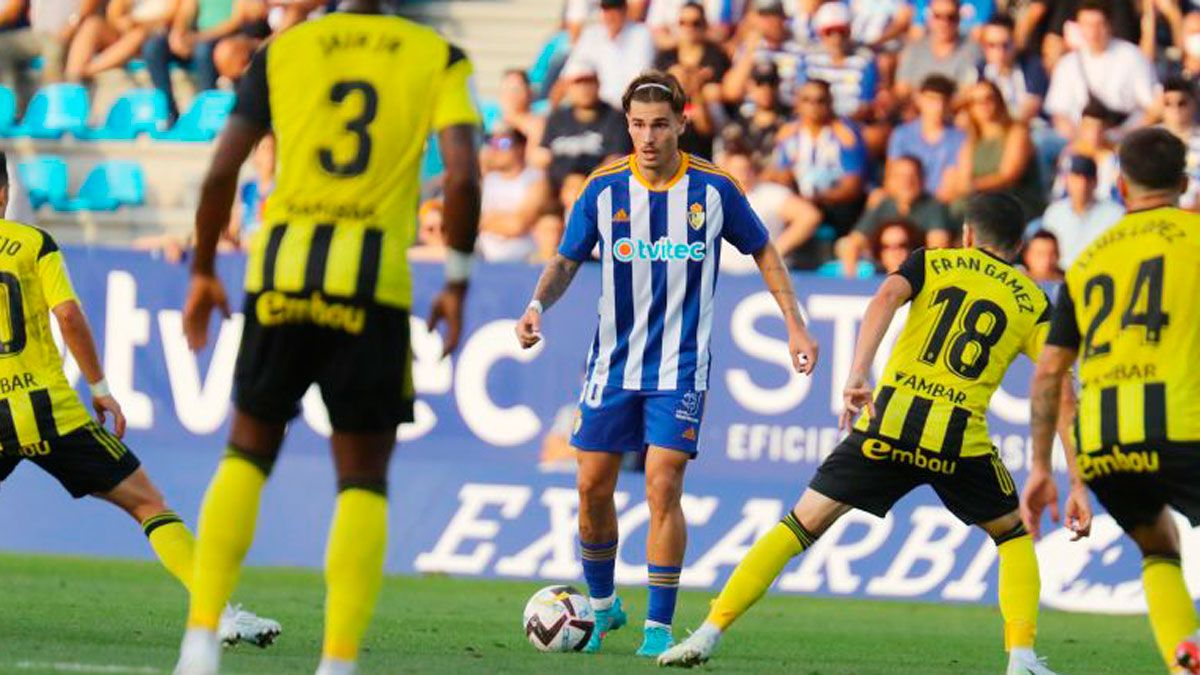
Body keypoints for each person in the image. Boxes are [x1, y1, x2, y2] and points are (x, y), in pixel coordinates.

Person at [174, 1, 483, 673]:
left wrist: (202, 269)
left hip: (281, 273)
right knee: (363, 479)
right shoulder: (437, 55)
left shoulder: (283, 50)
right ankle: (337, 662)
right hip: (372, 289)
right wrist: (456, 282)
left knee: (247, 452)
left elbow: (223, 167)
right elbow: (461, 174)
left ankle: (199, 642)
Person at [660, 193, 1073, 674]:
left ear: (966, 235)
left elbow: (884, 297)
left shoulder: (933, 261)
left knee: (800, 523)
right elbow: (1060, 384)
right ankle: (1021, 657)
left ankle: (709, 633)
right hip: (959, 440)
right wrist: (1075, 476)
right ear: (1020, 245)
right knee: (1013, 537)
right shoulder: (1032, 299)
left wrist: (858, 372)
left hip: (888, 424)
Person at [514, 70, 819, 659]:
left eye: (659, 124)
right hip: (611, 367)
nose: (648, 137)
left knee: (662, 483)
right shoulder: (603, 188)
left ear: (682, 122)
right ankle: (603, 609)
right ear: (626, 125)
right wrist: (534, 305)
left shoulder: (714, 189)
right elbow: (566, 261)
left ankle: (658, 623)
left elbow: (763, 249)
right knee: (591, 488)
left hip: (679, 369)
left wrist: (794, 323)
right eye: (637, 125)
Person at [0, 152, 280, 651]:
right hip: (51, 411)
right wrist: (101, 388)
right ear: (4, 192)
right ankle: (215, 614)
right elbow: (67, 314)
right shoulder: (33, 243)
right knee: (148, 503)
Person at [1024, 127, 1200, 675]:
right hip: (1183, 430)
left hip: (1104, 446)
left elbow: (1050, 371)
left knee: (1160, 548)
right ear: (1184, 182)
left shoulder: (1087, 260)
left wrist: (1042, 468)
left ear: (1121, 187)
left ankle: (1184, 663)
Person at [768, 79, 868, 255]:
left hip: (836, 204)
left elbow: (853, 185)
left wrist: (819, 198)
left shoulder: (845, 134)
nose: (813, 106)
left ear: (830, 103)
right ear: (798, 104)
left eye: (820, 100)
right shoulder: (789, 134)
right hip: (800, 200)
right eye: (807, 100)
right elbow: (781, 174)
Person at [1043, 0, 1157, 138]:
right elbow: (1059, 113)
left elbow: (1153, 108)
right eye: (1087, 25)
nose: (1093, 32)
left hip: (1124, 136)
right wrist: (1079, 141)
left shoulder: (1133, 57)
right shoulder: (1068, 64)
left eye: (1098, 24)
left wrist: (1125, 135)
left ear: (1109, 25)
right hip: (1078, 140)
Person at [836, 155, 954, 276]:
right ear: (890, 180)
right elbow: (852, 242)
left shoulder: (933, 207)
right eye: (900, 177)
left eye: (912, 176)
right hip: (883, 273)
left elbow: (938, 247)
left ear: (922, 180)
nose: (906, 182)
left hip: (918, 275)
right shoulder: (883, 204)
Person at [944, 80, 1045, 222]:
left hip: (1014, 202)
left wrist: (973, 186)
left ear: (999, 101)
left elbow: (1008, 176)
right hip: (982, 202)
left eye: (988, 98)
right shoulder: (971, 140)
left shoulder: (1016, 132)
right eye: (976, 101)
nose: (983, 105)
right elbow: (963, 176)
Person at [142, 0, 254, 122]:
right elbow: (187, 10)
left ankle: (209, 111)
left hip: (223, 38)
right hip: (199, 38)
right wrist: (178, 35)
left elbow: (236, 20)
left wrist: (200, 37)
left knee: (203, 50)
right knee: (153, 47)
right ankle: (167, 111)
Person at [717, 145, 823, 272]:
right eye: (738, 170)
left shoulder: (770, 194)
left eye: (747, 169)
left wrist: (776, 251)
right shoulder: (714, 196)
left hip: (763, 274)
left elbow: (809, 216)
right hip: (721, 274)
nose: (744, 175)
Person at [652, 1, 729, 158]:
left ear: (704, 25)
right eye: (683, 23)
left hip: (704, 121)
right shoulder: (666, 55)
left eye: (695, 23)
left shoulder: (715, 54)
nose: (689, 28)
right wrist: (697, 79)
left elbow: (715, 93)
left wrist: (681, 81)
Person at [562, 0, 656, 109]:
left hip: (626, 108)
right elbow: (569, 75)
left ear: (624, 10)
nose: (610, 15)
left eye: (615, 10)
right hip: (594, 108)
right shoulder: (590, 35)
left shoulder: (642, 35)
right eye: (606, 10)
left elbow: (638, 80)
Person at [886, 74, 965, 198]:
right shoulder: (901, 134)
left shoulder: (959, 139)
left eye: (943, 100)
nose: (938, 107)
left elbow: (949, 185)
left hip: (937, 204)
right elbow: (891, 178)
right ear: (920, 99)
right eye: (932, 99)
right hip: (903, 198)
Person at [1038, 154, 1123, 267]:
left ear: (1096, 181)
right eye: (1076, 177)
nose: (1082, 184)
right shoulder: (1054, 212)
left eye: (1088, 179)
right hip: (1059, 276)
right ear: (1067, 180)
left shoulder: (1115, 213)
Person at [801, 2, 879, 121]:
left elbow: (865, 104)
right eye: (829, 32)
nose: (836, 38)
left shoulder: (864, 60)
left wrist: (841, 126)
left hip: (853, 124)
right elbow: (802, 98)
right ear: (820, 34)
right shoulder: (809, 59)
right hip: (816, 121)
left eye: (842, 31)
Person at [65, 0, 177, 82]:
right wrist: (123, 22)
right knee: (92, 25)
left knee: (139, 34)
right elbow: (114, 16)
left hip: (154, 35)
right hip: (126, 31)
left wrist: (137, 23)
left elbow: (171, 17)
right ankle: (72, 78)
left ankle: (86, 72)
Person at [721, 0, 806, 106]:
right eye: (764, 16)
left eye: (774, 15)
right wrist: (750, 50)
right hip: (752, 113)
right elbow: (731, 93)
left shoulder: (799, 49)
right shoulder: (749, 48)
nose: (769, 21)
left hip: (788, 110)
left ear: (784, 17)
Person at [478, 128, 543, 262]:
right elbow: (469, 219)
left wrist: (486, 220)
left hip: (522, 260)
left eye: (504, 143)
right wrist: (505, 219)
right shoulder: (486, 180)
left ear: (520, 148)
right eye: (492, 143)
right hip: (482, 257)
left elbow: (517, 226)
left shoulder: (535, 179)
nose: (496, 149)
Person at [894, 0, 980, 102]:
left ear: (959, 18)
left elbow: (966, 93)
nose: (944, 23)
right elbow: (902, 90)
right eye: (938, 16)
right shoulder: (914, 50)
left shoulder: (972, 51)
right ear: (929, 18)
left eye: (951, 17)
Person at [977, 14, 1049, 123]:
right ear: (983, 46)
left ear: (1014, 43)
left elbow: (1031, 107)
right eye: (992, 45)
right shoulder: (980, 72)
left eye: (1005, 45)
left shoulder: (1032, 66)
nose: (1000, 52)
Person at [717, 61, 788, 167]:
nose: (766, 89)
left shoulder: (789, 125)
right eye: (760, 83)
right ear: (750, 86)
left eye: (771, 83)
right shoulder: (737, 126)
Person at [1158, 77, 1200, 211]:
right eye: (1168, 103)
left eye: (1182, 103)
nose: (1175, 109)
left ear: (1194, 103)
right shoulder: (1147, 141)